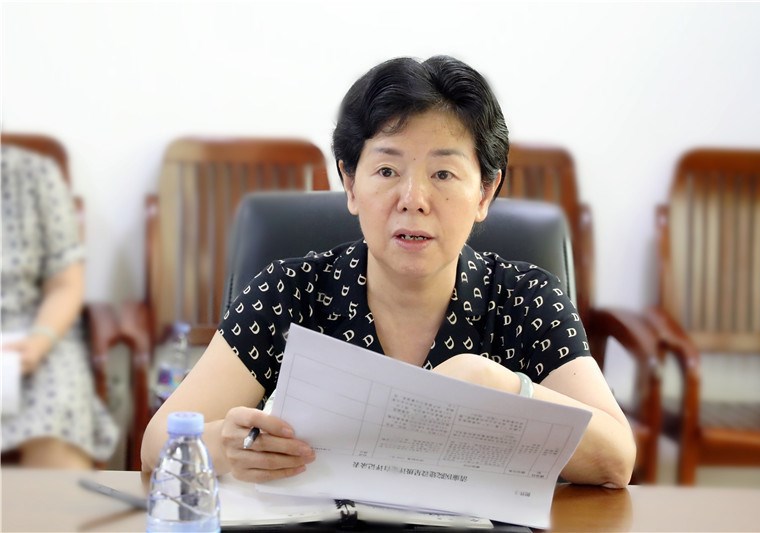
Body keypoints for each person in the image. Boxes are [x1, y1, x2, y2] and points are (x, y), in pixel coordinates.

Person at [142, 55, 635, 488]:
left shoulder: (526, 299)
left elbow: (617, 460)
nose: (413, 200)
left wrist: (497, 385)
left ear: (485, 192)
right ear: (350, 184)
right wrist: (227, 446)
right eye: (386, 171)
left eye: (443, 174)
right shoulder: (289, 292)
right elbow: (156, 445)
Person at [1, 144, 119, 468]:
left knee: (56, 412)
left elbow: (65, 283)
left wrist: (38, 342)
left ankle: (52, 501)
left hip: (33, 331)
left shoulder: (35, 175)